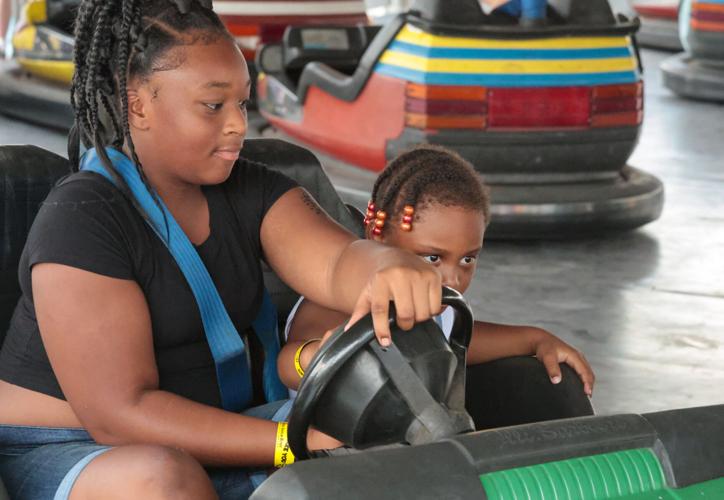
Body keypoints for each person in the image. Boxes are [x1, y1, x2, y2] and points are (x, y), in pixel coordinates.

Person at [0, 1, 444, 499]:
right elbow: (121, 415)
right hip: (73, 446)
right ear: (139, 102)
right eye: (214, 106)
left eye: (243, 104)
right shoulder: (83, 216)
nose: (238, 125)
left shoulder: (251, 189)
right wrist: (286, 444)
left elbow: (338, 261)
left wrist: (386, 266)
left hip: (219, 426)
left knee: (384, 437)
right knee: (165, 482)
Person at [280, 146, 595, 411]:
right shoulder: (332, 305)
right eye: (432, 258)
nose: (453, 279)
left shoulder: (436, 307)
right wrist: (318, 356)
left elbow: (455, 344)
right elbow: (289, 365)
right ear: (378, 240)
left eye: (468, 259)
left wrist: (536, 339)